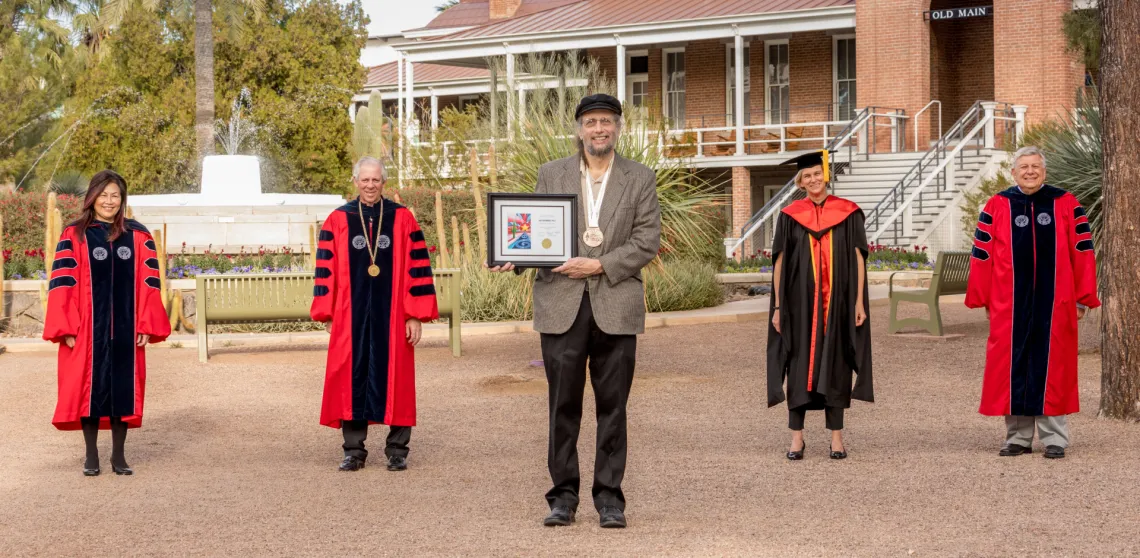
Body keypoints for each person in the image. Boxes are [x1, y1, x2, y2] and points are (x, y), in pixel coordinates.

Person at [488, 93, 661, 528]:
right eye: (590, 122)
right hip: (561, 303)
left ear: (618, 127)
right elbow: (536, 230)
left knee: (613, 408)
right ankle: (562, 498)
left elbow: (647, 241)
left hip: (615, 304)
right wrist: (515, 255)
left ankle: (610, 500)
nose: (598, 129)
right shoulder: (552, 173)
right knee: (562, 406)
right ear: (579, 129)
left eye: (606, 121)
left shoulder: (640, 178)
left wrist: (600, 264)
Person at [965, 146, 1099, 459]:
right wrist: (985, 297)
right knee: (1011, 366)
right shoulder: (998, 205)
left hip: (1056, 302)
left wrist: (1082, 297)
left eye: (1035, 166)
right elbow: (982, 255)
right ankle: (1018, 438)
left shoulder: (1065, 203)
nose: (1029, 171)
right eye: (1023, 166)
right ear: (1013, 172)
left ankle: (1055, 439)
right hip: (1009, 303)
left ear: (1044, 171)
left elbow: (1083, 252)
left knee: (1053, 365)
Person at [311, 156, 438, 472]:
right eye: (365, 180)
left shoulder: (402, 219)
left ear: (384, 182)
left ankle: (397, 450)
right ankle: (354, 451)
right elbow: (325, 269)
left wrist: (414, 315)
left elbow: (416, 267)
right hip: (348, 315)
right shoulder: (338, 220)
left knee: (398, 376)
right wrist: (327, 313)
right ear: (355, 181)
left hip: (393, 314)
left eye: (376, 180)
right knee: (349, 376)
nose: (370, 185)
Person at [43, 170, 171, 476]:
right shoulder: (74, 235)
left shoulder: (138, 235)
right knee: (88, 388)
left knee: (122, 389)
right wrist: (67, 327)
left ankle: (118, 456)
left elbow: (150, 282)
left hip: (127, 327)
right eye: (104, 195)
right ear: (92, 197)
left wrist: (145, 324)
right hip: (87, 327)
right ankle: (91, 455)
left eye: (115, 195)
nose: (109, 201)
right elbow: (62, 283)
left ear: (122, 200)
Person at [767, 149, 873, 461]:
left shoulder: (848, 212)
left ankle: (836, 438)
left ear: (825, 175)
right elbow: (779, 262)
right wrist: (776, 308)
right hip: (798, 307)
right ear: (800, 182)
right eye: (807, 176)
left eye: (817, 173)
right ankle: (797, 438)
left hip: (837, 304)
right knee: (798, 366)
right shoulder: (789, 216)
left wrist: (859, 302)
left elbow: (858, 258)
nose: (813, 180)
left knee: (836, 366)